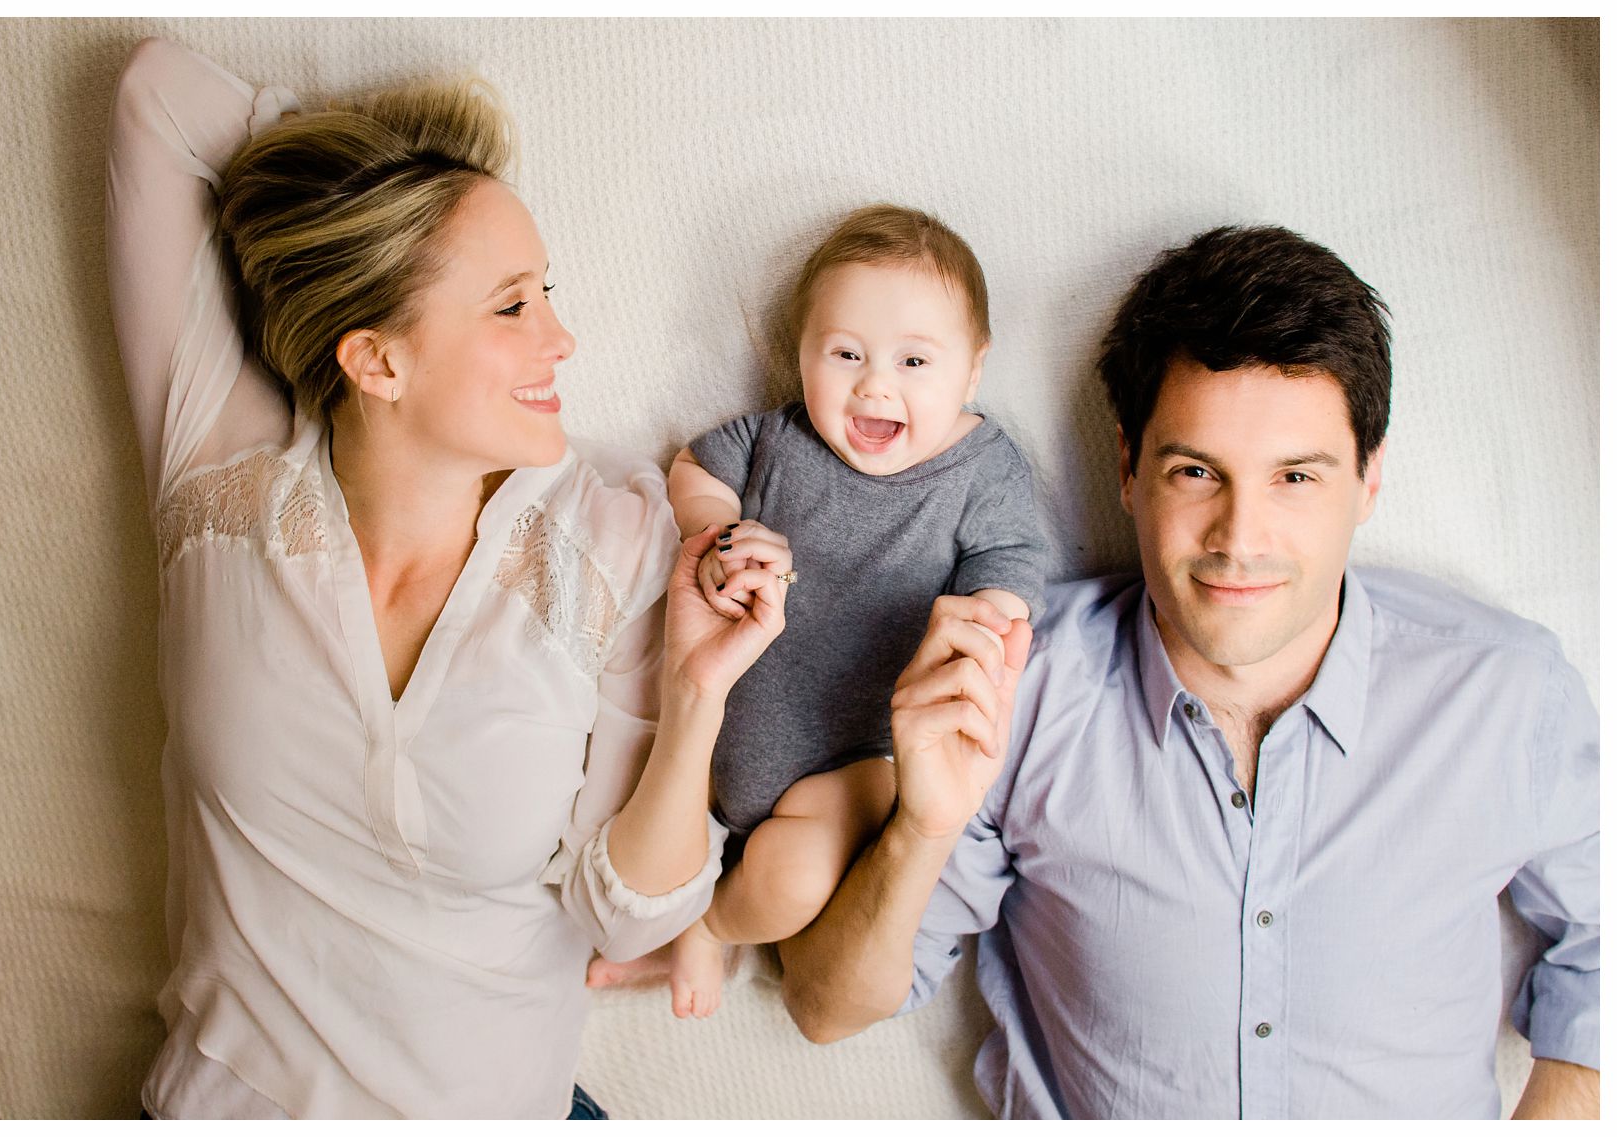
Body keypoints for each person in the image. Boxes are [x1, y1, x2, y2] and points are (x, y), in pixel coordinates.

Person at [779, 226, 1600, 1119]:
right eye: (1198, 471)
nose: (1239, 538)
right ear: (1130, 470)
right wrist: (922, 830)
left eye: (1295, 476)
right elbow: (824, 1008)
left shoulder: (1504, 692)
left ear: (1368, 480)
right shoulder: (1019, 682)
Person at [107, 38, 784, 1119]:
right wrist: (367, 211)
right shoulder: (218, 486)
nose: (560, 338)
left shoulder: (602, 547)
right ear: (375, 360)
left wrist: (696, 696)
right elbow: (157, 97)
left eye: (545, 294)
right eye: (510, 306)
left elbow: (631, 919)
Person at [586, 205, 1050, 1018]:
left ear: (971, 371)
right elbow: (696, 466)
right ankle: (670, 905)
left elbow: (1013, 564)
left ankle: (713, 925)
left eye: (914, 360)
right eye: (845, 354)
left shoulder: (982, 470)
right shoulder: (779, 437)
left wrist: (987, 615)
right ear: (800, 355)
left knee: (795, 880)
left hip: (850, 761)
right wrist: (717, 529)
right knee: (624, 812)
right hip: (714, 734)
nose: (876, 384)